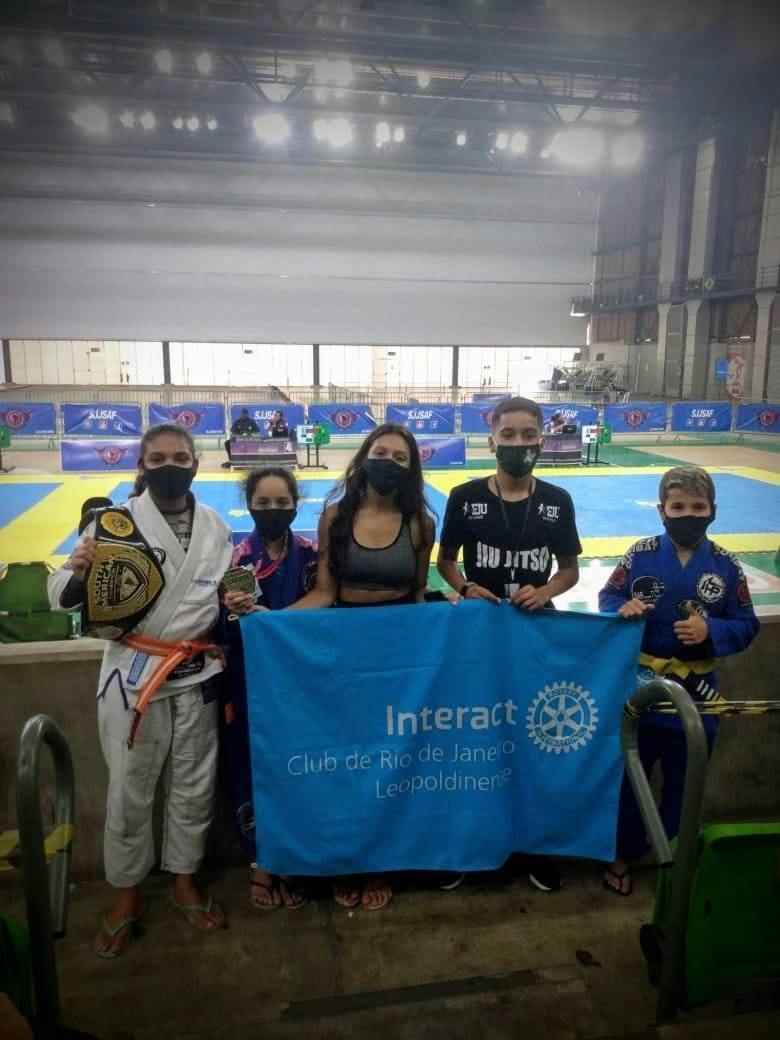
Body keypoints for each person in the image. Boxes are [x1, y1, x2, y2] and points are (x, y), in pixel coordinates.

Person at [48, 423, 234, 956]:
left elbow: (225, 590)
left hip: (196, 674)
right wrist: (78, 573)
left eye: (179, 457)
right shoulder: (114, 522)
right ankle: (127, 893)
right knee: (129, 790)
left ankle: (184, 881)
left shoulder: (216, 524)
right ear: (142, 466)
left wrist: (241, 599)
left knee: (194, 786)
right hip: (132, 674)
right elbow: (59, 594)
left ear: (195, 464)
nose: (169, 466)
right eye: (157, 458)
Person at [289, 422, 437, 910]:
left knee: (391, 761)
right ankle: (347, 859)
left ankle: (381, 861)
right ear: (364, 457)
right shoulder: (335, 516)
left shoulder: (420, 524)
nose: (388, 462)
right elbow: (323, 593)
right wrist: (271, 623)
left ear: (411, 469)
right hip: (346, 651)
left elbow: (417, 593)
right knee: (347, 760)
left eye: (400, 457)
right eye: (381, 452)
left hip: (398, 655)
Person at [437, 395, 582, 893]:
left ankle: (534, 846)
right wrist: (464, 588)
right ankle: (466, 846)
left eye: (528, 435)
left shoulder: (557, 500)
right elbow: (446, 562)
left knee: (533, 740)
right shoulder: (464, 497)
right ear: (491, 441)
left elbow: (569, 570)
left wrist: (546, 591)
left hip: (535, 635)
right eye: (508, 435)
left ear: (542, 439)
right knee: (472, 738)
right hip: (479, 634)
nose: (518, 443)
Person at [598, 466, 759, 895]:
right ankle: (622, 853)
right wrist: (622, 607)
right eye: (678, 506)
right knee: (630, 777)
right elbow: (608, 596)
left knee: (686, 781)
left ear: (712, 511)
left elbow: (747, 624)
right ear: (662, 511)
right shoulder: (640, 554)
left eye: (698, 507)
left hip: (696, 691)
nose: (688, 514)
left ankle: (674, 855)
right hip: (641, 686)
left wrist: (712, 631)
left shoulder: (726, 565)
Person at [219, 467, 318, 910]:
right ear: (249, 506)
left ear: (296, 506)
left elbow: (327, 615)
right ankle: (261, 861)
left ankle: (294, 855)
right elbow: (220, 627)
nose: (273, 510)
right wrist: (232, 611)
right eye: (263, 503)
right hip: (250, 683)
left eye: (282, 503)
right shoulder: (235, 559)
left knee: (299, 767)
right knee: (251, 766)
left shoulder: (314, 556)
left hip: (301, 684)